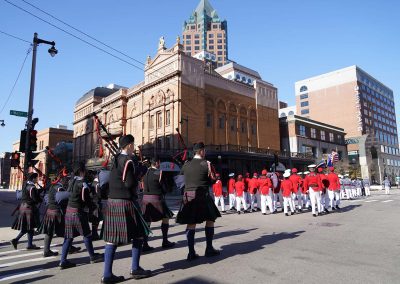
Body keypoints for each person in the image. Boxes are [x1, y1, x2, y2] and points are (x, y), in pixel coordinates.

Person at [101, 134, 152, 283]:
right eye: (133, 144)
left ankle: (107, 275)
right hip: (125, 202)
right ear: (129, 145)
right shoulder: (128, 161)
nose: (134, 147)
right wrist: (140, 172)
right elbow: (130, 183)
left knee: (111, 240)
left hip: (112, 202)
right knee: (139, 235)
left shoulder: (115, 159)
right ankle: (135, 269)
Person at [176, 142, 221, 261]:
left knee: (191, 223)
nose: (205, 152)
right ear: (201, 151)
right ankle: (209, 249)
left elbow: (179, 182)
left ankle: (191, 252)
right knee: (210, 220)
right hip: (203, 195)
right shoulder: (207, 163)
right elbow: (212, 180)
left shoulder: (186, 164)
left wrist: (187, 189)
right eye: (204, 150)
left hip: (188, 196)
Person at [59, 163, 103, 269]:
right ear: (81, 171)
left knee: (68, 237)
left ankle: (63, 261)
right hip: (78, 212)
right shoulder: (82, 183)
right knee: (87, 235)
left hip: (69, 211)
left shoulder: (71, 181)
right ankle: (92, 256)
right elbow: (84, 197)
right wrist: (91, 206)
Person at [39, 178, 80, 257]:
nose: (67, 182)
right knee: (66, 230)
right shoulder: (59, 188)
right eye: (65, 180)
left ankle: (46, 251)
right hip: (57, 212)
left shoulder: (51, 187)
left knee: (49, 232)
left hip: (50, 210)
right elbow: (63, 199)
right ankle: (69, 248)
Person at [141, 157, 175, 251]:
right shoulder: (159, 173)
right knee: (166, 218)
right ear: (157, 163)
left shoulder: (145, 173)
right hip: (157, 199)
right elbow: (165, 188)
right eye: (159, 163)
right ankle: (165, 241)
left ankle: (145, 244)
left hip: (145, 200)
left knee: (147, 221)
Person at [10, 173, 41, 250]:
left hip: (23, 207)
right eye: (36, 178)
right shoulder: (32, 187)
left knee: (29, 228)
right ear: (33, 178)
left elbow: (28, 195)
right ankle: (16, 240)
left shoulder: (26, 185)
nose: (37, 179)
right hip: (29, 208)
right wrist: (40, 199)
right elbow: (35, 199)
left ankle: (28, 244)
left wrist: (39, 191)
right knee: (29, 227)